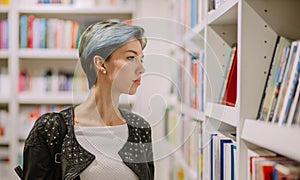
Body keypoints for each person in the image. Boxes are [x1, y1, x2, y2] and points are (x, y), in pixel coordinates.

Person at [18, 20, 155, 180]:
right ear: (101, 63)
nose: (141, 68)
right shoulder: (51, 129)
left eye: (141, 59)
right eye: (131, 57)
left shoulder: (140, 129)